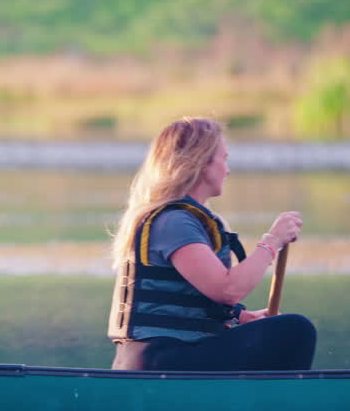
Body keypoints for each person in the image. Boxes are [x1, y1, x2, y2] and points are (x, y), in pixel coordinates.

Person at [108, 117, 315, 371]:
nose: (227, 170)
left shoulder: (186, 219)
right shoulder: (174, 222)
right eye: (224, 158)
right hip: (160, 359)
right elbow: (228, 289)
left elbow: (195, 293)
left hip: (172, 355)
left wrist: (240, 316)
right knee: (295, 331)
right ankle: (277, 407)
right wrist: (272, 241)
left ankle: (255, 406)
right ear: (202, 163)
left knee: (275, 330)